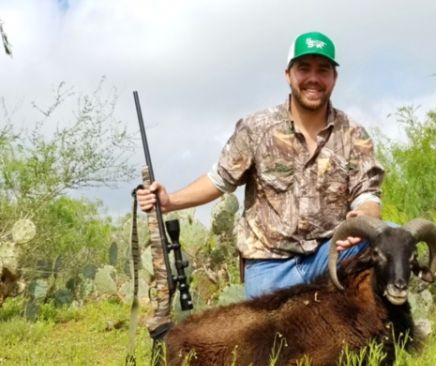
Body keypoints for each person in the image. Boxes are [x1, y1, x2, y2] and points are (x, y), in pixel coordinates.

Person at [137, 31, 384, 298]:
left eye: (323, 70)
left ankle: (385, 323)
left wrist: (367, 216)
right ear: (288, 74)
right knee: (272, 336)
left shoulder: (353, 134)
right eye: (304, 68)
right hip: (270, 265)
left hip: (330, 256)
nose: (313, 78)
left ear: (334, 78)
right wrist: (170, 201)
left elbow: (367, 195)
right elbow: (219, 180)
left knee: (391, 236)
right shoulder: (256, 128)